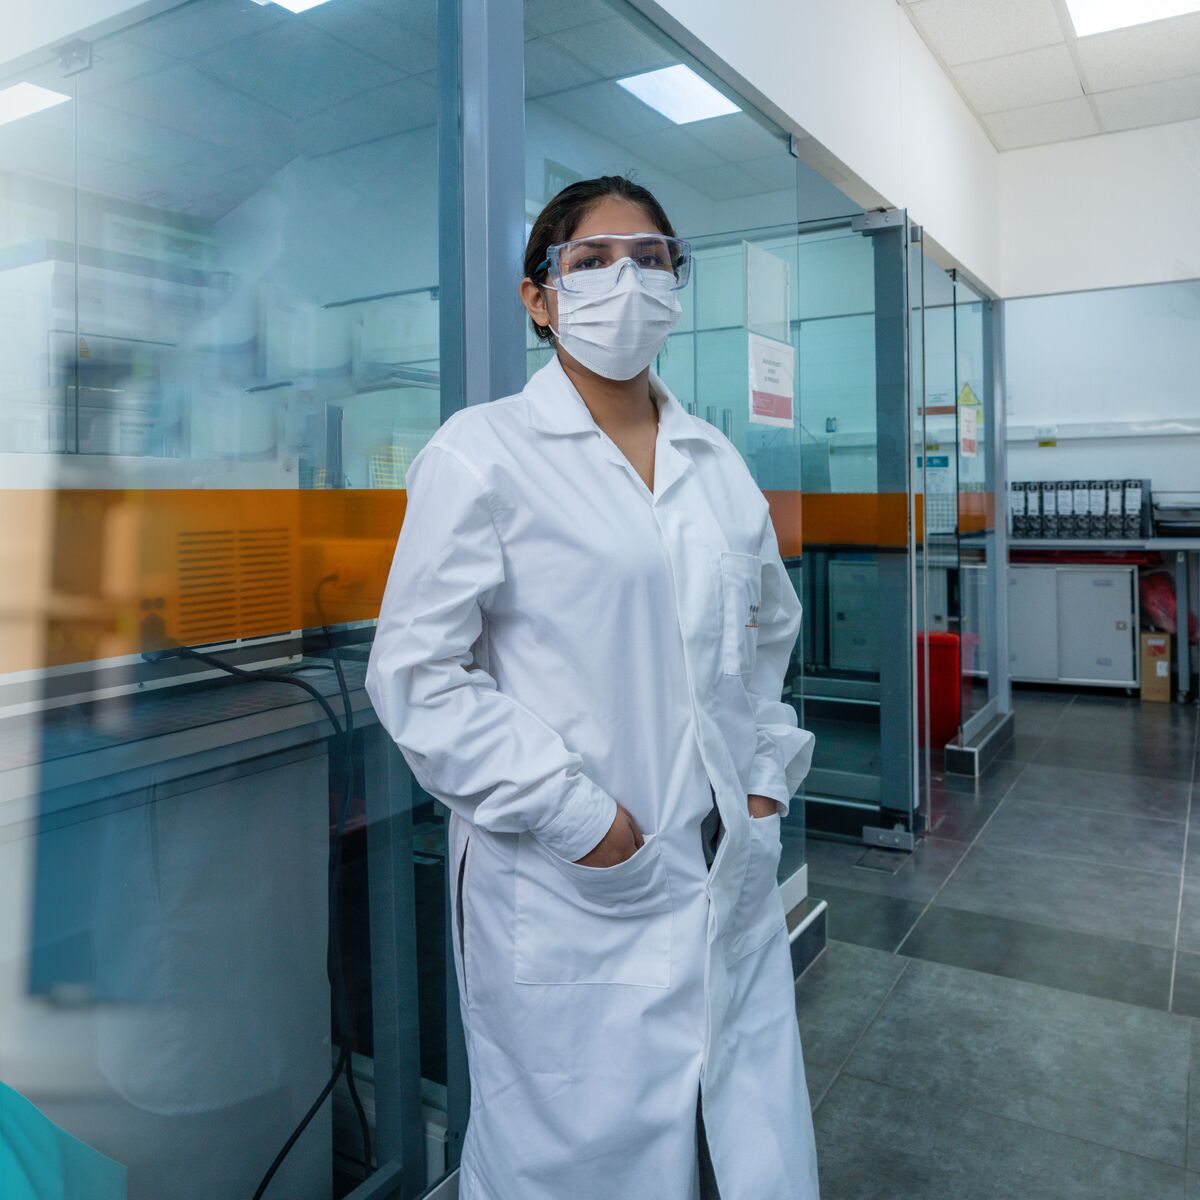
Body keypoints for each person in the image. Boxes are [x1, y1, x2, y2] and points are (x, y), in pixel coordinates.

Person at [365, 176, 819, 1200]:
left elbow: (765, 640)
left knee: (738, 1143)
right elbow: (418, 676)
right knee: (573, 1159)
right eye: (593, 259)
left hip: (719, 865)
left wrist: (760, 783)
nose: (629, 279)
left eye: (652, 257)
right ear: (540, 298)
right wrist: (582, 817)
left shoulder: (715, 465)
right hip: (575, 884)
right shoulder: (481, 454)